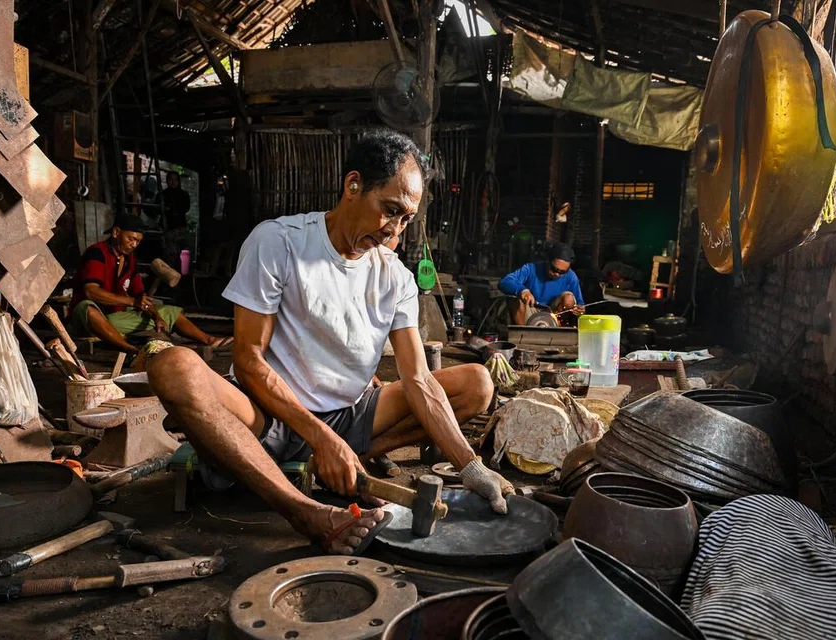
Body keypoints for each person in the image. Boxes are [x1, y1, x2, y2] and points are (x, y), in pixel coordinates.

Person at [145, 128, 513, 555]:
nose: (396, 230)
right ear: (353, 185)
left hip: (351, 417)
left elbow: (419, 380)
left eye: (407, 218)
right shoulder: (279, 242)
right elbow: (247, 361)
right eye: (390, 210)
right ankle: (303, 508)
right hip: (270, 414)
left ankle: (344, 466)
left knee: (476, 383)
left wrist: (471, 467)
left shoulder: (395, 277)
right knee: (173, 366)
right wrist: (320, 438)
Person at [70, 214, 232, 355]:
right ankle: (131, 350)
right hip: (85, 320)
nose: (134, 245)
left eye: (138, 241)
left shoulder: (130, 259)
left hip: (114, 319)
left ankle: (209, 339)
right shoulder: (97, 253)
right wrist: (131, 302)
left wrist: (156, 316)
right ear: (116, 233)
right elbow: (91, 292)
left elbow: (141, 295)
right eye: (131, 239)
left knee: (169, 311)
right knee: (87, 307)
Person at [499, 242, 585, 325]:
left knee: (569, 298)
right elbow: (504, 282)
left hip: (553, 316)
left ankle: (558, 333)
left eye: (562, 272)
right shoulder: (531, 269)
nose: (557, 274)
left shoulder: (571, 276)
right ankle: (523, 335)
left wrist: (579, 309)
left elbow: (580, 303)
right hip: (530, 313)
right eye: (554, 269)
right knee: (514, 297)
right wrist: (522, 291)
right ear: (548, 260)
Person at [161, 172, 190, 266]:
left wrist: (173, 209)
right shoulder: (163, 195)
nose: (173, 182)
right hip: (167, 227)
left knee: (180, 253)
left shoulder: (183, 195)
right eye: (171, 179)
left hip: (179, 227)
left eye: (175, 180)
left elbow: (185, 208)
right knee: (169, 254)